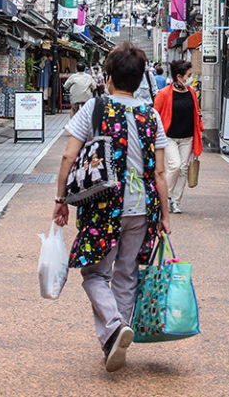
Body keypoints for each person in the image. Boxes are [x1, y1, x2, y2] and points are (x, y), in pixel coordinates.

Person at [53, 43, 171, 373]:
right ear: (140, 79)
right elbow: (160, 172)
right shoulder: (152, 116)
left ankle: (115, 328)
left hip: (102, 206)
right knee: (127, 273)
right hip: (142, 207)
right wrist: (164, 215)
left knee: (94, 273)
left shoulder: (94, 108)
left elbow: (68, 156)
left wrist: (61, 200)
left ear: (108, 78)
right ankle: (113, 338)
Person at [153, 59, 203, 214]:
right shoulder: (163, 94)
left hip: (188, 137)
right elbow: (154, 115)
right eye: (188, 75)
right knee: (174, 165)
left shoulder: (192, 93)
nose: (191, 78)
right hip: (169, 137)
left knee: (183, 168)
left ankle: (175, 201)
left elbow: (196, 112)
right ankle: (163, 197)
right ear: (179, 77)